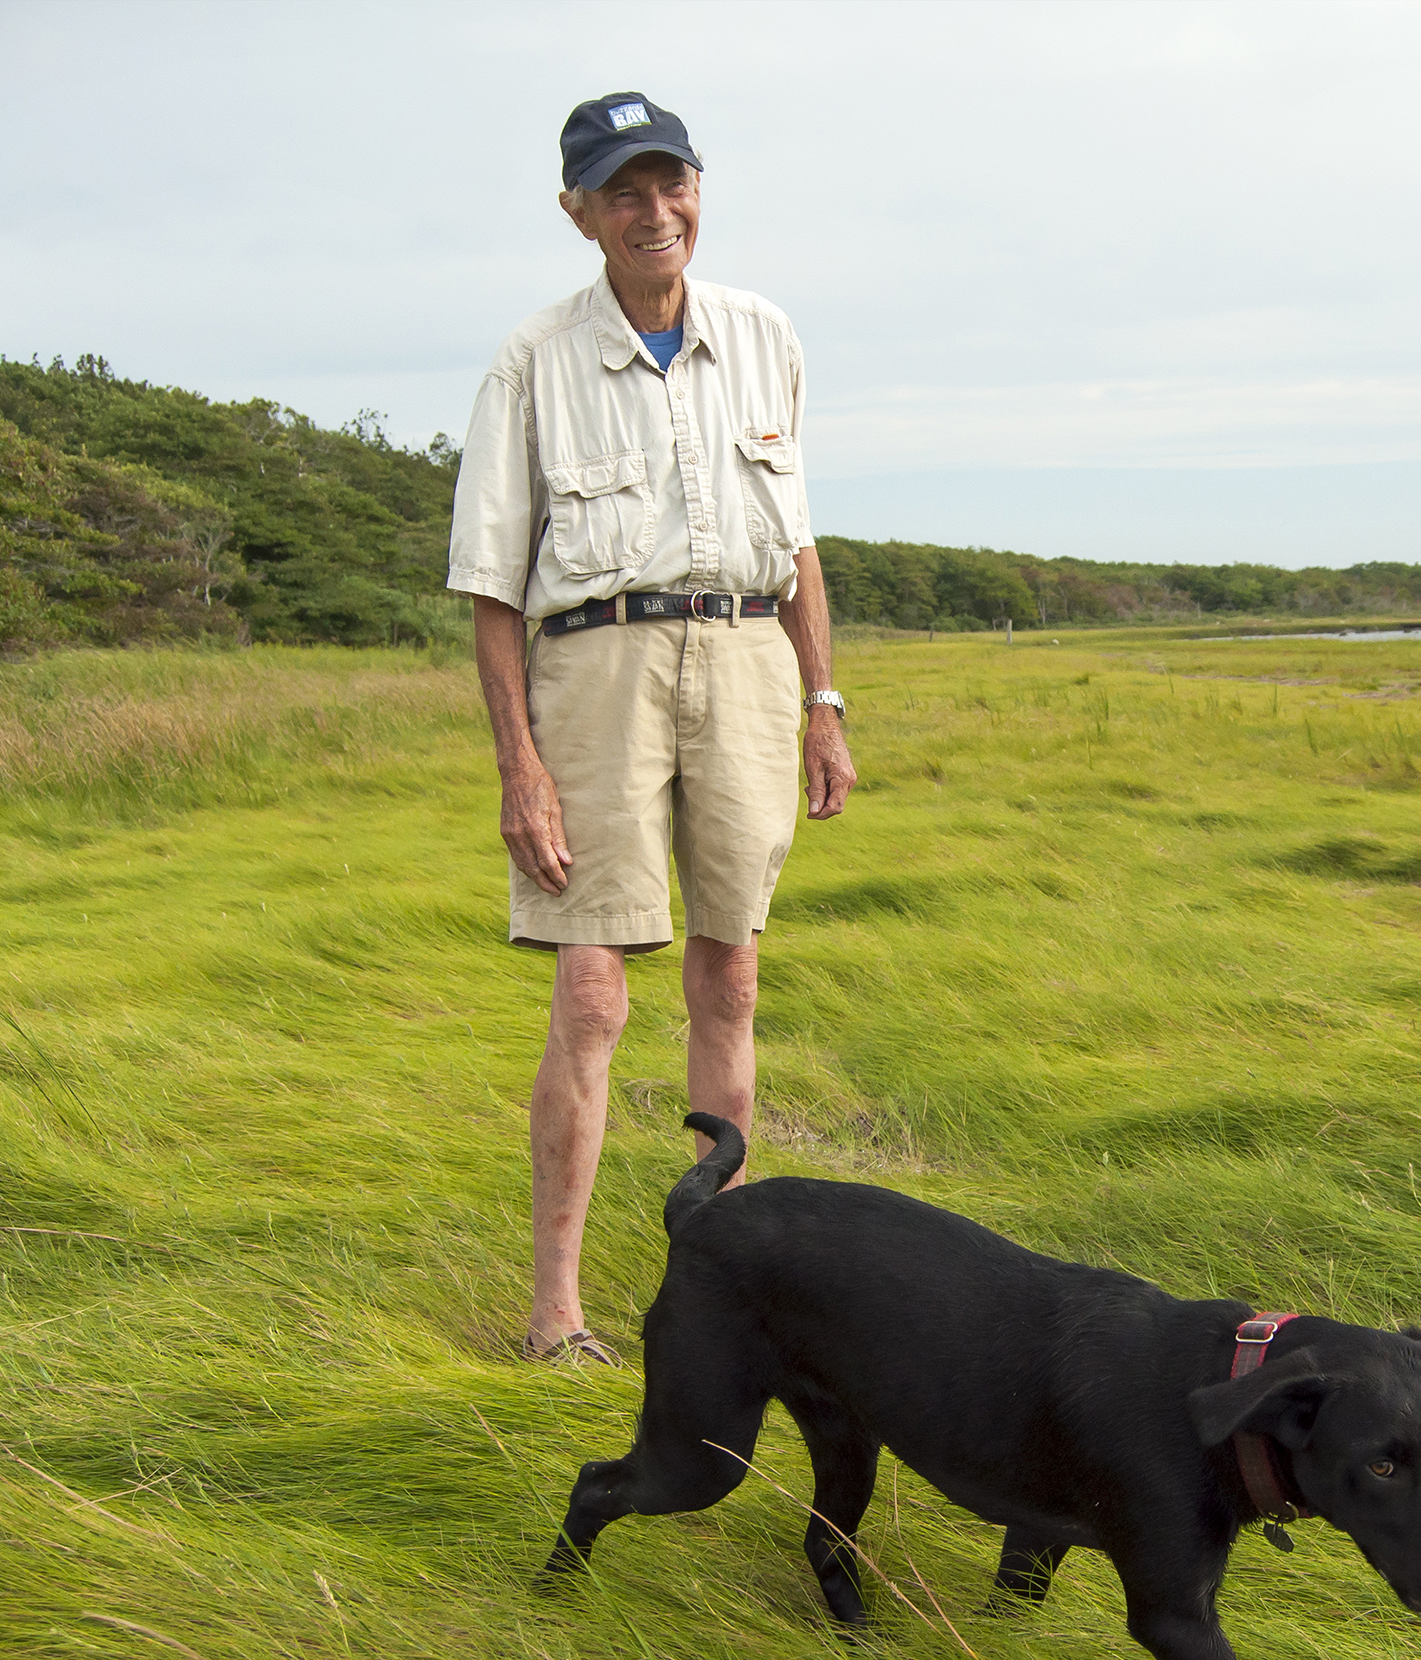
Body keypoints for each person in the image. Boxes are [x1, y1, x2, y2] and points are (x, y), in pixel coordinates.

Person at [445, 92, 855, 1365]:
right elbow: (489, 583)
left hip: (746, 658)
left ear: (698, 190)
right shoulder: (532, 357)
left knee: (729, 972)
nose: (652, 211)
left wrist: (823, 701)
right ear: (579, 213)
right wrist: (520, 764)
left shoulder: (763, 333)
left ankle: (721, 1297)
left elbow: (795, 541)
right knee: (590, 992)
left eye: (669, 183)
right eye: (622, 191)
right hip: (596, 667)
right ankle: (555, 1309)